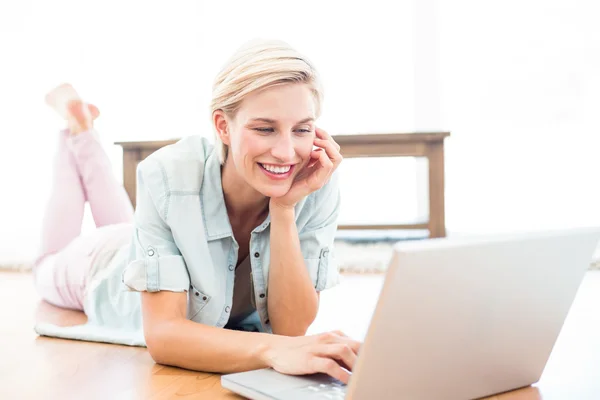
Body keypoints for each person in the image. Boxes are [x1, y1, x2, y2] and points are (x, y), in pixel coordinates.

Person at [34, 39, 360, 384]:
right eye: (265, 128)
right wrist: (270, 350)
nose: (286, 151)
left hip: (141, 242)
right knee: (46, 262)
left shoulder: (313, 180)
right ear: (222, 126)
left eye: (302, 129)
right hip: (99, 266)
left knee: (125, 224)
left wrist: (283, 208)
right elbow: (164, 335)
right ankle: (77, 129)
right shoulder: (169, 174)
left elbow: (291, 329)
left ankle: (83, 127)